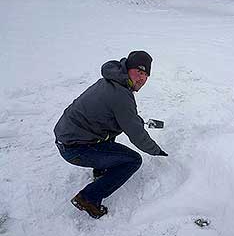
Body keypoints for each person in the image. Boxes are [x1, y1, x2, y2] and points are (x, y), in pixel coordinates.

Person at [54, 51, 168, 219]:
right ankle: (88, 198)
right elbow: (136, 134)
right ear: (128, 69)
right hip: (74, 148)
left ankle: (101, 171)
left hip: (69, 137)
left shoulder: (111, 82)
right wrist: (156, 151)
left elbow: (123, 115)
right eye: (139, 71)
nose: (142, 78)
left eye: (145, 75)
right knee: (133, 160)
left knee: (111, 131)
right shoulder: (121, 95)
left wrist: (136, 120)